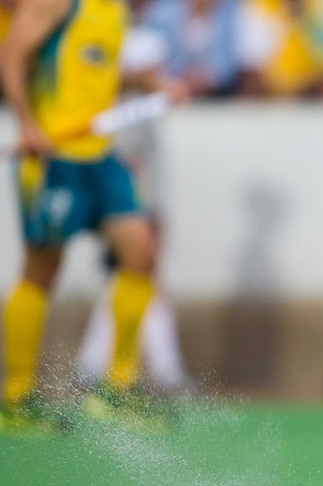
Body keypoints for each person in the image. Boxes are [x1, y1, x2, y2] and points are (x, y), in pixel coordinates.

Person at [0, 0, 187, 431]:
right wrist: (27, 124)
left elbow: (98, 73)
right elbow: (12, 53)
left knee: (142, 253)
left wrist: (153, 83)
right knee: (40, 272)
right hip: (54, 155)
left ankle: (117, 391)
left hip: (101, 156)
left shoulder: (114, 11)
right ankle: (15, 400)